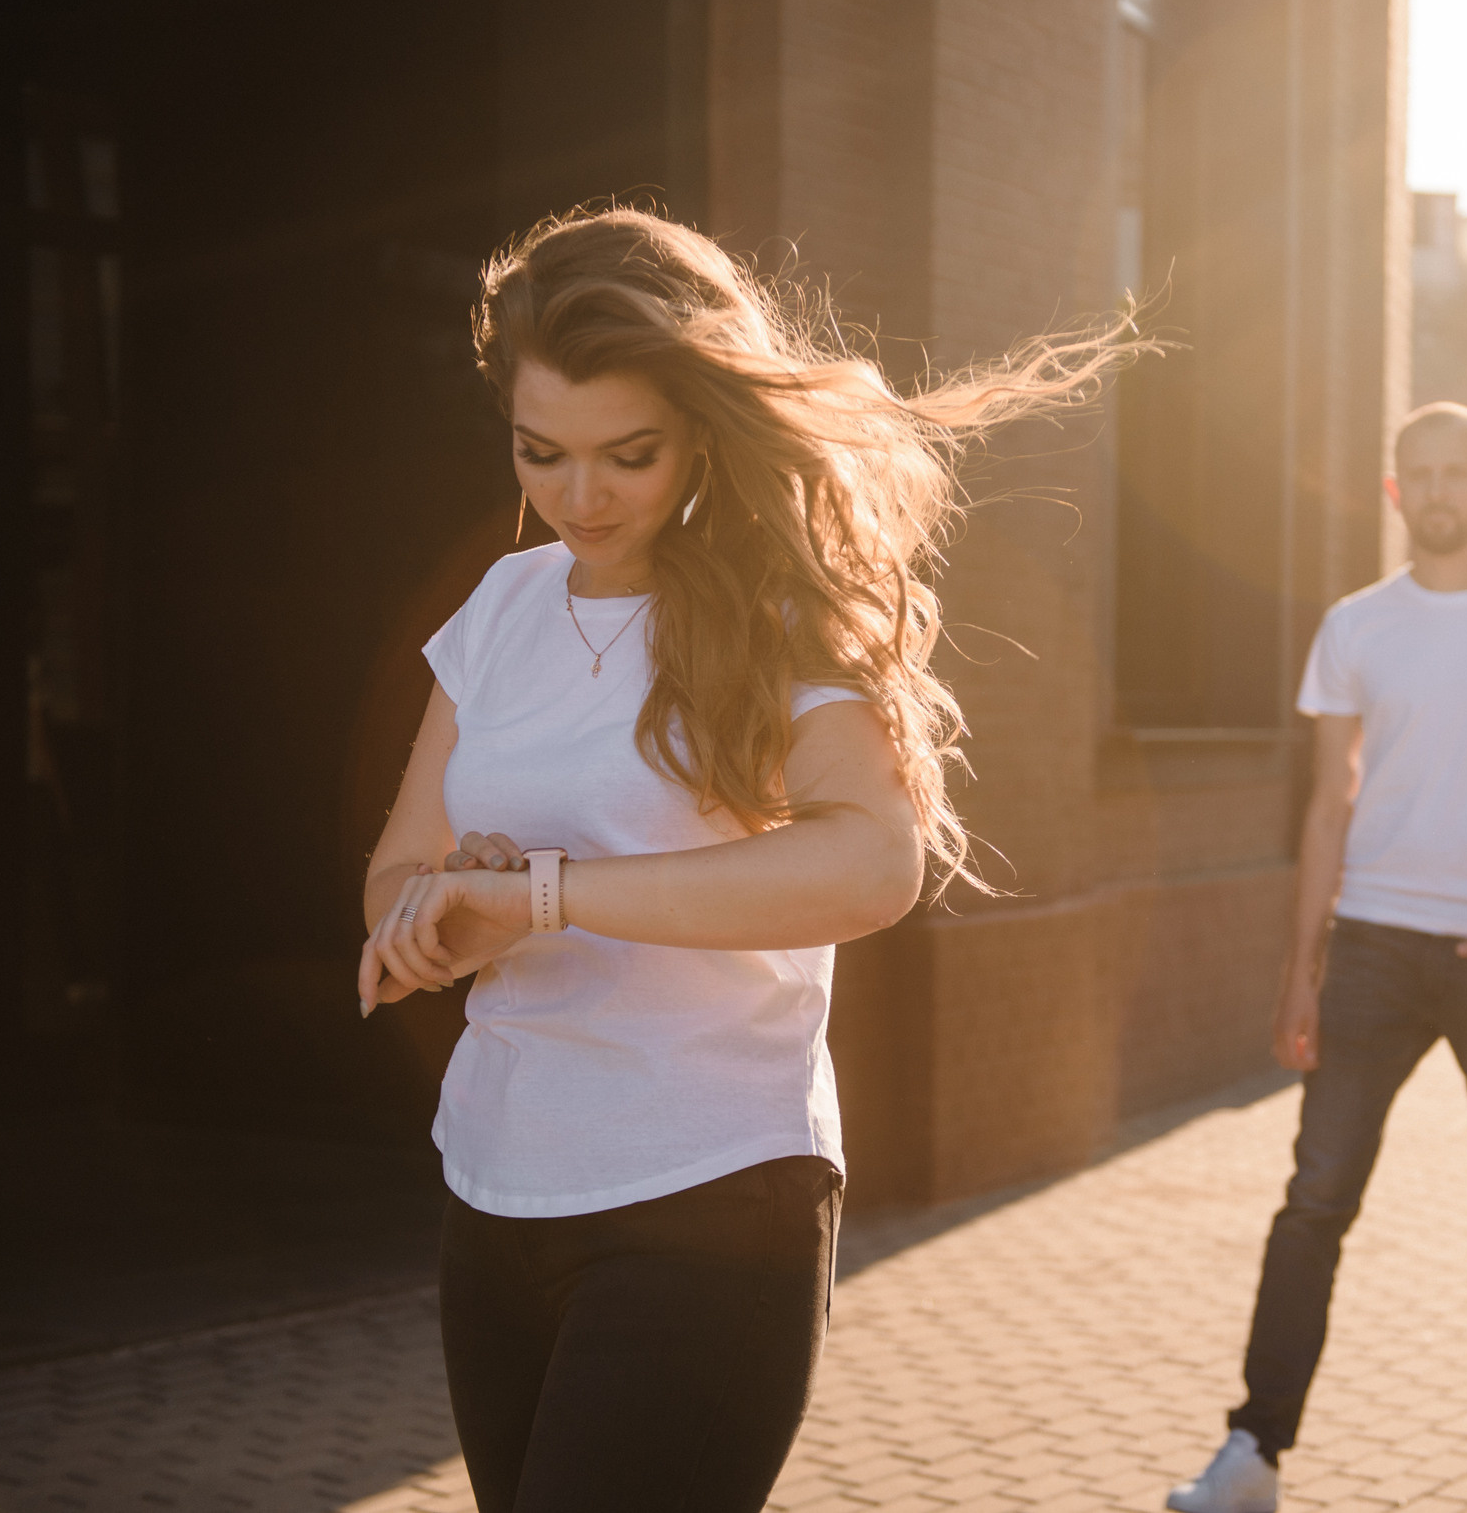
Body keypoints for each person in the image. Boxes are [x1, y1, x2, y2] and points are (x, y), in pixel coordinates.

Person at [357, 207, 1130, 1513]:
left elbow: (873, 864)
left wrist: (546, 891)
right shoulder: (499, 613)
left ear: (704, 426)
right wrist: (439, 919)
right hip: (493, 1189)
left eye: (628, 454)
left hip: (709, 1199)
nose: (578, 496)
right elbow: (394, 877)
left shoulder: (784, 612)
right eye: (540, 451)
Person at [1167, 402, 1467, 1513]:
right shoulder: (1356, 626)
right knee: (1314, 1198)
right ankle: (1253, 1455)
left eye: (1454, 471)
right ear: (1391, 491)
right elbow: (1329, 803)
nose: (1435, 489)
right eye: (1415, 472)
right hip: (1372, 948)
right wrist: (1300, 968)